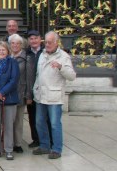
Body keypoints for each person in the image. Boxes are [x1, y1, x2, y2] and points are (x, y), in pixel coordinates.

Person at [32, 31, 76, 159]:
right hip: (40, 95)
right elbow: (38, 74)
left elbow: (72, 76)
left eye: (50, 42)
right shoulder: (42, 54)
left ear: (57, 42)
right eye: (46, 42)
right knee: (39, 122)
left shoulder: (63, 56)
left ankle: (56, 149)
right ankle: (44, 145)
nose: (48, 44)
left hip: (54, 96)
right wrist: (35, 88)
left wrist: (61, 67)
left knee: (55, 123)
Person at [9, 34, 31, 154]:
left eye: (17, 43)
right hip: (8, 93)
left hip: (20, 92)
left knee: (18, 121)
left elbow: (28, 78)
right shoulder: (6, 56)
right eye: (13, 43)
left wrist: (28, 95)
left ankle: (17, 143)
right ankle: (8, 143)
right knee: (8, 120)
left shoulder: (26, 58)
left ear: (21, 45)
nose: (15, 45)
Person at [25, 30, 43, 148]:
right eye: (31, 39)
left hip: (43, 90)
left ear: (40, 39)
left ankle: (46, 139)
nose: (33, 41)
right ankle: (36, 139)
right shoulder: (26, 53)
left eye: (35, 38)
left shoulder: (45, 52)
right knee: (32, 117)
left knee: (43, 117)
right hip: (31, 90)